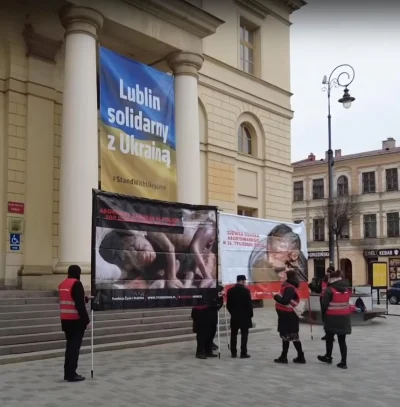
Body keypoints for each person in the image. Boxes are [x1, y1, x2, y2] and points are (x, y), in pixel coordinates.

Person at [59, 265, 90, 382]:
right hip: (76, 321)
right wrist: (87, 321)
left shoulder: (63, 284)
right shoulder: (76, 284)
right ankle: (72, 374)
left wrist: (86, 298)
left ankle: (67, 373)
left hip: (65, 321)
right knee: (74, 349)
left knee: (69, 348)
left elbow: (71, 299)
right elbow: (79, 306)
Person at [318, 269, 351, 369]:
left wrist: (323, 317)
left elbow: (324, 305)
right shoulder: (346, 289)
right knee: (342, 340)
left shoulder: (329, 290)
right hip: (344, 318)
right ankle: (343, 362)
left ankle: (328, 356)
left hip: (331, 318)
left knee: (329, 338)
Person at [273, 269, 306, 364]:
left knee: (291, 337)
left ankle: (294, 357)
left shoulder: (289, 288)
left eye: (284, 276)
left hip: (288, 316)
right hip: (287, 316)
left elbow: (285, 301)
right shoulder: (288, 287)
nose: (282, 277)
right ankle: (289, 356)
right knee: (289, 337)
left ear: (289, 278)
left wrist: (275, 296)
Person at [191, 285, 224, 359]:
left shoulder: (215, 292)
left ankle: (208, 350)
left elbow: (218, 304)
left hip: (212, 317)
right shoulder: (199, 293)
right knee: (202, 335)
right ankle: (200, 352)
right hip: (201, 316)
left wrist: (220, 299)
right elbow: (195, 307)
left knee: (211, 333)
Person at [226, 275, 253, 359]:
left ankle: (233, 352)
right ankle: (243, 353)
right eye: (244, 281)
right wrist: (250, 315)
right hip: (245, 316)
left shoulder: (230, 291)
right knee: (244, 335)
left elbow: (228, 305)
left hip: (234, 316)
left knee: (233, 334)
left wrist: (232, 312)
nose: (245, 282)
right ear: (242, 281)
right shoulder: (246, 291)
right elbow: (249, 305)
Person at [321, 266, 335, 341]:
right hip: (324, 298)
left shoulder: (332, 280)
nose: (328, 273)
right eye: (328, 272)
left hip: (328, 299)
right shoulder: (325, 279)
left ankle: (330, 335)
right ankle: (328, 334)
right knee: (325, 318)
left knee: (328, 318)